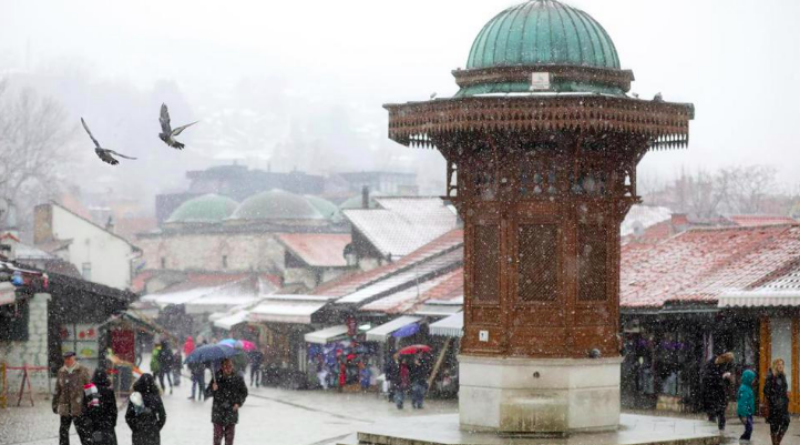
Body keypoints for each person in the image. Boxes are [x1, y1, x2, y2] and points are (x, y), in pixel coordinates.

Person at [53, 351, 92, 445]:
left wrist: (91, 404)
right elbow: (57, 390)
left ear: (74, 358)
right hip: (65, 407)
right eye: (65, 359)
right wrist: (55, 404)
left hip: (79, 407)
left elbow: (89, 387)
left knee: (82, 432)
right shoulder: (61, 371)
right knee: (63, 432)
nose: (67, 361)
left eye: (69, 358)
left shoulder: (82, 370)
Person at [206, 358, 248, 445]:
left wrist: (238, 403)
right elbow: (207, 393)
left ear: (232, 367)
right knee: (217, 436)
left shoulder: (237, 378)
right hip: (218, 410)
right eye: (225, 366)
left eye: (229, 366)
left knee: (229, 438)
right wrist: (212, 389)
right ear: (221, 367)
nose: (227, 369)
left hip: (231, 410)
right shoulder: (216, 377)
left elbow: (244, 392)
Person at [125, 374, 166, 445]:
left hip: (138, 432)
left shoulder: (135, 396)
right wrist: (156, 427)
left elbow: (128, 416)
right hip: (153, 432)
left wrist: (135, 427)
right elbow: (162, 416)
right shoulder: (156, 397)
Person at [700, 352, 734, 432]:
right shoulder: (710, 365)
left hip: (720, 393)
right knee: (712, 414)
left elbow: (726, 382)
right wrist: (721, 377)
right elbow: (707, 378)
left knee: (721, 413)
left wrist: (727, 378)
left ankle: (720, 431)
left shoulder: (724, 366)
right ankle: (712, 432)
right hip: (711, 393)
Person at [85, 369, 118, 445]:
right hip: (107, 424)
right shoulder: (109, 390)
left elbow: (86, 408)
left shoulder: (89, 389)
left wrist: (88, 424)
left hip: (94, 425)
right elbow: (113, 410)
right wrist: (112, 423)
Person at [763, 358, 791, 445]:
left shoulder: (783, 376)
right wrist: (775, 400)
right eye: (779, 364)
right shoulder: (771, 376)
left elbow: (783, 389)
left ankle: (776, 443)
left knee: (786, 423)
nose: (781, 366)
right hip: (774, 407)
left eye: (782, 364)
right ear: (775, 365)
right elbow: (766, 391)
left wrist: (786, 396)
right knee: (774, 427)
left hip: (783, 406)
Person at [736, 369, 755, 444]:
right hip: (745, 413)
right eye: (752, 379)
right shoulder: (744, 389)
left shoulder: (748, 387)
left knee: (749, 428)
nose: (754, 381)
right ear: (748, 379)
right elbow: (742, 403)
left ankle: (745, 440)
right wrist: (743, 415)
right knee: (749, 428)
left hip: (748, 412)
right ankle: (743, 440)